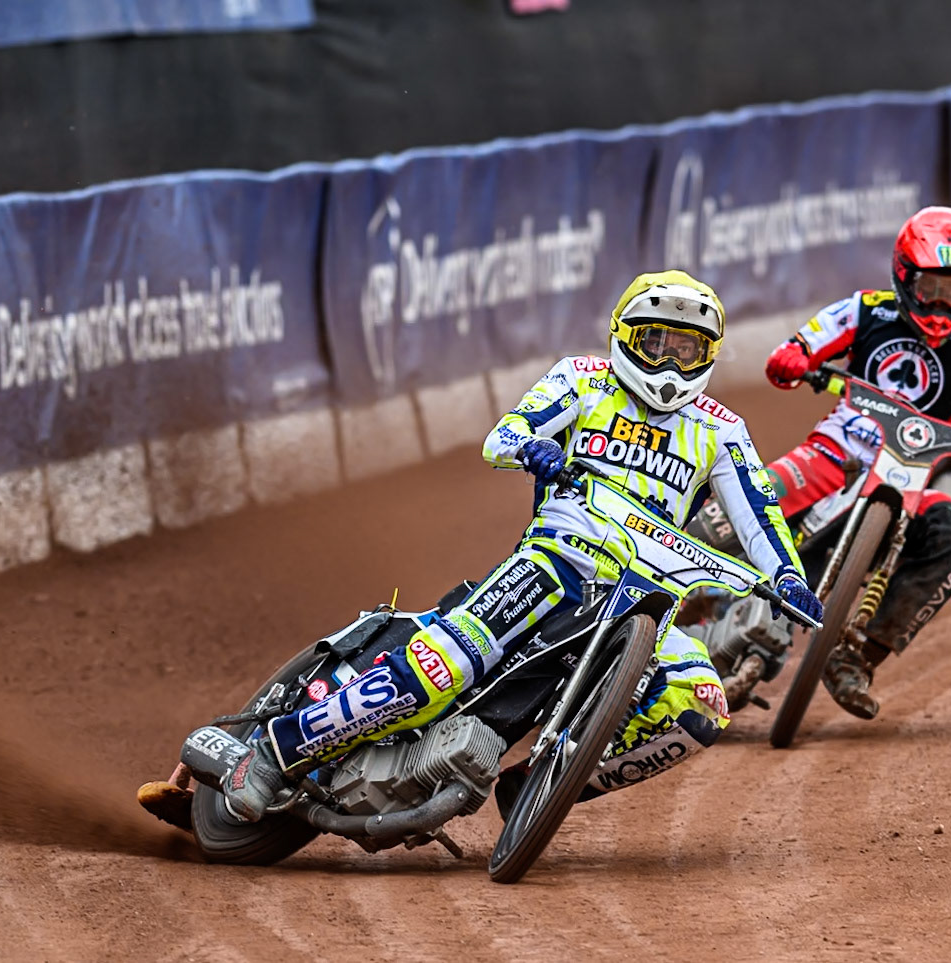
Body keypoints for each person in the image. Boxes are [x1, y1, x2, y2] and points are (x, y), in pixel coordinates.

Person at [213, 270, 823, 822]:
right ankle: (272, 753)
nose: (667, 361)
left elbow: (760, 517)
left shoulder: (722, 430)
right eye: (654, 342)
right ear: (623, 337)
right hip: (555, 563)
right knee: (440, 668)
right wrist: (534, 447)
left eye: (684, 348)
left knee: (702, 706)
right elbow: (504, 433)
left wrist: (791, 580)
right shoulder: (583, 380)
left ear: (707, 354)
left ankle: (542, 781)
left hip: (650, 594)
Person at [759, 206, 951, 720]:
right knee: (742, 497)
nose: (945, 304)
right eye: (932, 288)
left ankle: (856, 653)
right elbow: (802, 345)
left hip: (911, 481)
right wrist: (792, 357)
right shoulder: (865, 312)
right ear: (904, 276)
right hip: (836, 453)